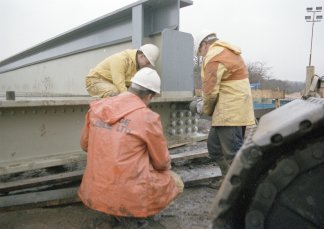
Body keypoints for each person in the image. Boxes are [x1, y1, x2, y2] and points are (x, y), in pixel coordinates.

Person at [78, 67, 184, 221]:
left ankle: (114, 214)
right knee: (176, 181)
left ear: (131, 87)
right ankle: (140, 218)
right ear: (149, 95)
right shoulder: (147, 117)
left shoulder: (97, 108)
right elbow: (162, 163)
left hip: (94, 191)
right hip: (130, 196)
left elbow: (85, 145)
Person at [193, 30, 255, 182]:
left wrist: (203, 108)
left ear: (204, 45)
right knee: (214, 147)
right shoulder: (226, 51)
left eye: (201, 52)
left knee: (232, 153)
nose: (202, 56)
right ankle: (228, 181)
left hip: (231, 112)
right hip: (229, 110)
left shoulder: (214, 56)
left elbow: (210, 91)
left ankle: (242, 190)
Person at [85, 44, 160, 98]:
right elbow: (119, 84)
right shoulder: (120, 59)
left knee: (132, 94)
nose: (147, 65)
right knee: (115, 92)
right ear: (142, 56)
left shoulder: (136, 65)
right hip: (95, 81)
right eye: (147, 63)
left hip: (112, 83)